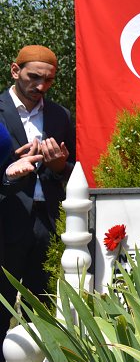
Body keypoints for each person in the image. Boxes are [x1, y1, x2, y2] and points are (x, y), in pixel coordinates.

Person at [0, 45, 75, 353]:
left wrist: (59, 165)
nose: (41, 86)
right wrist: (7, 172)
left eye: (49, 80)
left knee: (43, 310)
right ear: (15, 71)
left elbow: (71, 171)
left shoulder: (60, 114)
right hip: (6, 221)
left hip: (47, 223)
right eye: (34, 77)